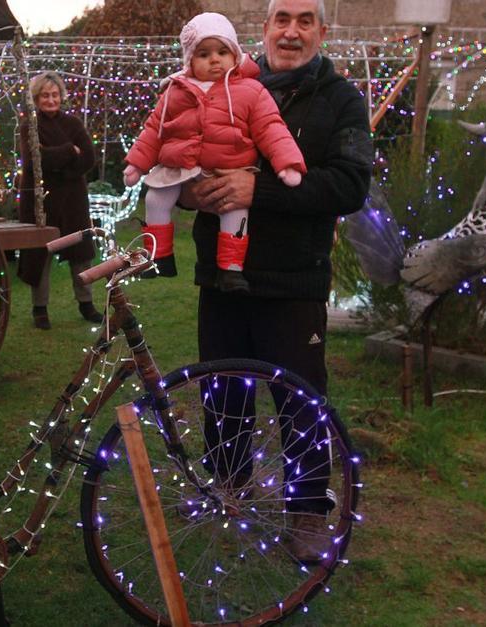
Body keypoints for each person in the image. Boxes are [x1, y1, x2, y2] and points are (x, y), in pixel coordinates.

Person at [181, 0, 373, 562]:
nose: (291, 32)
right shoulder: (220, 82)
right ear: (263, 30)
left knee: (301, 402)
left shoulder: (340, 101)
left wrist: (255, 190)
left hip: (293, 281)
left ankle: (309, 510)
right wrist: (187, 189)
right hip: (222, 276)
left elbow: (349, 185)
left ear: (320, 31)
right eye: (281, 20)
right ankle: (229, 490)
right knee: (223, 394)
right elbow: (183, 152)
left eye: (304, 20)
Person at [123, 12, 306, 292]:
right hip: (180, 167)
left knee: (235, 211)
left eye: (222, 52)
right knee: (156, 198)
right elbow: (153, 131)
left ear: (235, 55)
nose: (214, 60)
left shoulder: (251, 91)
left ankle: (230, 270)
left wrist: (287, 163)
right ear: (189, 60)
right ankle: (158, 256)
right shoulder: (175, 91)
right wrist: (136, 164)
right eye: (204, 54)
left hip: (229, 171)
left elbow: (271, 128)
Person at [16, 71, 103, 330]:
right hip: (40, 199)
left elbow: (88, 158)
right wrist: (68, 151)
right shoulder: (29, 126)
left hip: (72, 198)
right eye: (45, 95)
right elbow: (34, 161)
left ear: (61, 96)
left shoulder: (73, 124)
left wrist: (59, 167)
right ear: (36, 98)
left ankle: (86, 304)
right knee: (39, 253)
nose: (50, 100)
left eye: (54, 95)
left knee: (80, 253)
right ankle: (39, 309)